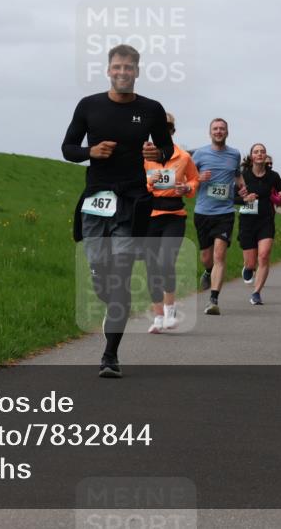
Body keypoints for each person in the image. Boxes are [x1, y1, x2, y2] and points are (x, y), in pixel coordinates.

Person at [62, 44, 174, 378]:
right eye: (117, 67)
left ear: (137, 72)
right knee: (100, 271)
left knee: (121, 275)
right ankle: (103, 286)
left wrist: (157, 151)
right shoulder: (89, 106)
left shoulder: (152, 109)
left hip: (133, 201)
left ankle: (110, 356)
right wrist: (90, 151)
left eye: (129, 68)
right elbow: (68, 148)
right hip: (97, 200)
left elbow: (166, 149)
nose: (123, 72)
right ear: (108, 70)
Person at [143, 112, 199, 334]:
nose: (163, 131)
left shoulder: (184, 157)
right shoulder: (144, 158)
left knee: (166, 261)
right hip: (150, 215)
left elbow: (194, 179)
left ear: (172, 131)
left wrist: (188, 188)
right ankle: (157, 317)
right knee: (151, 267)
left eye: (167, 127)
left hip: (174, 214)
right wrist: (149, 182)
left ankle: (170, 310)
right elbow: (135, 183)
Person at [192, 118, 246, 315]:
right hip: (203, 212)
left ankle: (214, 299)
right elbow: (186, 177)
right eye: (215, 128)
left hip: (225, 213)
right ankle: (208, 271)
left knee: (219, 255)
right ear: (210, 132)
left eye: (222, 128)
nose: (219, 131)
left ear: (227, 132)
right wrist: (198, 178)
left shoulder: (234, 154)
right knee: (207, 258)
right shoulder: (199, 153)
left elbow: (237, 175)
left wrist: (242, 186)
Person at [237, 143, 281, 305]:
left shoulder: (273, 176)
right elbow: (231, 197)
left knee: (264, 255)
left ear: (265, 156)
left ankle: (256, 293)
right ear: (252, 156)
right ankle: (248, 268)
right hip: (247, 222)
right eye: (256, 152)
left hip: (266, 220)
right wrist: (244, 199)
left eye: (262, 152)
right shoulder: (242, 175)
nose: (259, 154)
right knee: (251, 263)